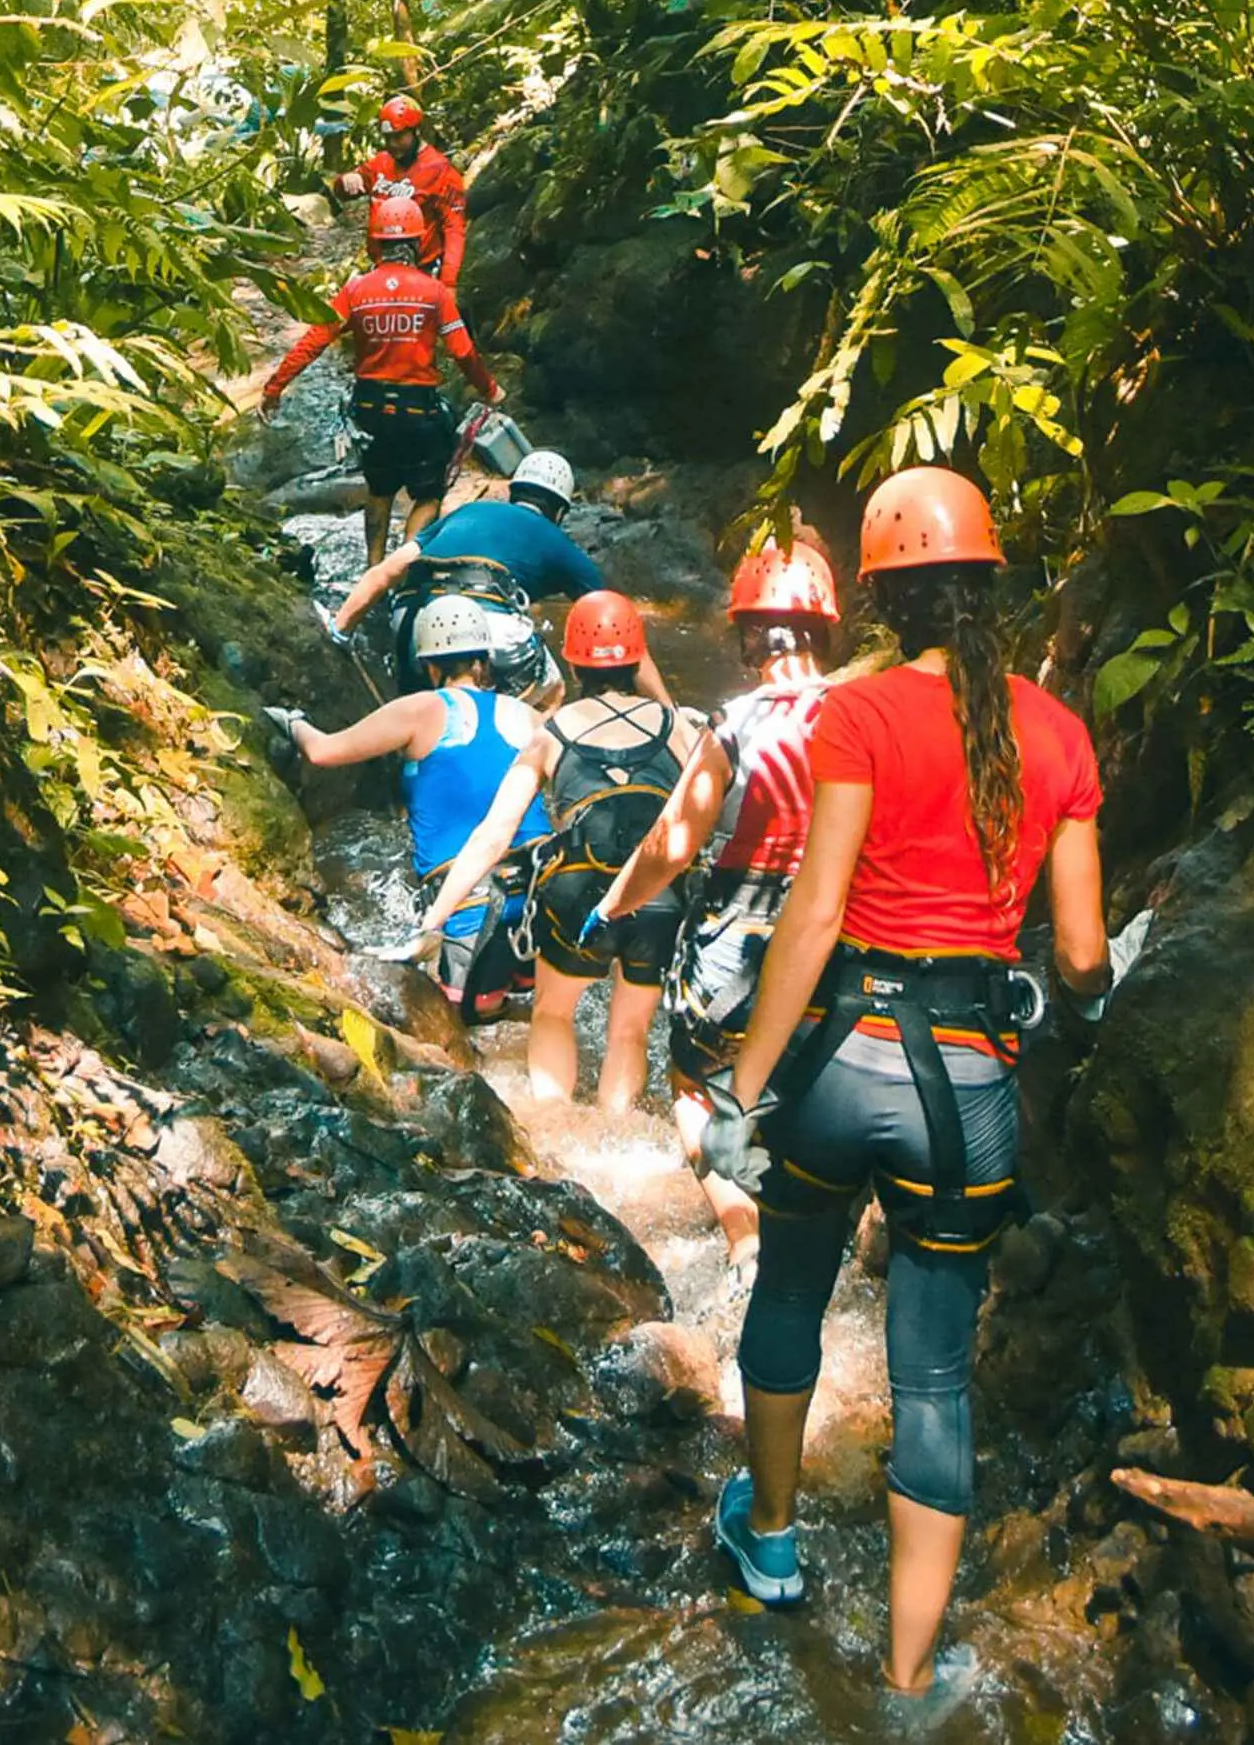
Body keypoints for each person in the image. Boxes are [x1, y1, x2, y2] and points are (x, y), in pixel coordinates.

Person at [699, 466, 1120, 1716]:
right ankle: (908, 1672)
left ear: (879, 600)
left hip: (843, 1066)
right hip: (968, 1087)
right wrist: (1087, 998)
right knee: (933, 1375)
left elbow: (814, 914)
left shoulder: (859, 713)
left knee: (789, 1290)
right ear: (992, 583)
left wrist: (743, 1087)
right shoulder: (1060, 734)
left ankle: (772, 1544)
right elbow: (1082, 954)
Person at [586, 534, 844, 1268]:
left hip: (739, 935)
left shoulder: (735, 724)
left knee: (694, 1083)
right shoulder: (862, 714)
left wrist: (611, 906)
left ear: (749, 637)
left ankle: (744, 1238)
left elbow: (671, 845)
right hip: (839, 932)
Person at [407, 592, 708, 1108]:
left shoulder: (551, 732)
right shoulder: (678, 728)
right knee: (630, 1031)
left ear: (572, 663)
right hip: (659, 892)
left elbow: (495, 835)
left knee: (552, 1013)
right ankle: (616, 1130)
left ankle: (553, 1124)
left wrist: (433, 922)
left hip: (579, 892)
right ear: (638, 658)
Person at [261, 595, 547, 1022]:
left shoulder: (420, 710)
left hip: (471, 913)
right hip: (543, 904)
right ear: (483, 661)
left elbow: (323, 751)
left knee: (464, 1025)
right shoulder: (529, 717)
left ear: (428, 665)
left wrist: (292, 722)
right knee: (536, 1016)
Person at [256, 194, 499, 565]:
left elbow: (313, 342)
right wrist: (490, 389)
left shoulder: (355, 291)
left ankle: (373, 570)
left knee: (380, 490)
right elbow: (463, 352)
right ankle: (403, 567)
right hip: (418, 410)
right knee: (429, 494)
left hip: (369, 409)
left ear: (377, 242)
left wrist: (274, 388)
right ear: (417, 242)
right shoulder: (433, 293)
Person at [330, 452, 667, 704]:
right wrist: (669, 711)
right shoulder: (556, 541)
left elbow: (385, 572)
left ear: (513, 492)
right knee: (552, 693)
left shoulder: (466, 512)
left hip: (412, 620)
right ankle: (519, 763)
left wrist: (338, 632)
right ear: (560, 511)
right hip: (490, 625)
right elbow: (618, 627)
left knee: (426, 696)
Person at [330, 92, 468, 290]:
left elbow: (454, 228)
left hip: (422, 273)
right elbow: (342, 192)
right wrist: (346, 180)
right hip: (381, 270)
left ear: (415, 131)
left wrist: (449, 282)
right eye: (388, 138)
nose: (393, 144)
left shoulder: (441, 171)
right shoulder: (380, 163)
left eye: (399, 137)